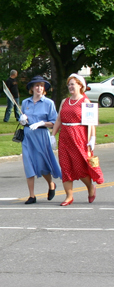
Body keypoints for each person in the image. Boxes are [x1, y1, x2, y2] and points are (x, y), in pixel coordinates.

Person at [52, 73, 104, 206]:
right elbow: (59, 119)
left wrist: (92, 138)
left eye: (73, 84)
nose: (70, 86)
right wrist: (53, 135)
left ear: (80, 86)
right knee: (65, 166)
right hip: (65, 138)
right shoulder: (64, 101)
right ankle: (69, 196)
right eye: (69, 84)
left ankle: (90, 187)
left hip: (79, 137)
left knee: (80, 168)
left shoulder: (85, 102)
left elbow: (91, 123)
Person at [18, 76, 61, 204]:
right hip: (28, 137)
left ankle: (51, 184)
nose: (39, 88)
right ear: (32, 88)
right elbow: (23, 119)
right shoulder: (26, 102)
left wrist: (41, 123)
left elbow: (54, 122)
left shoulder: (49, 103)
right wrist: (22, 120)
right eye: (36, 85)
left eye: (41, 86)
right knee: (28, 164)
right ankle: (32, 195)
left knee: (42, 165)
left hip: (41, 136)